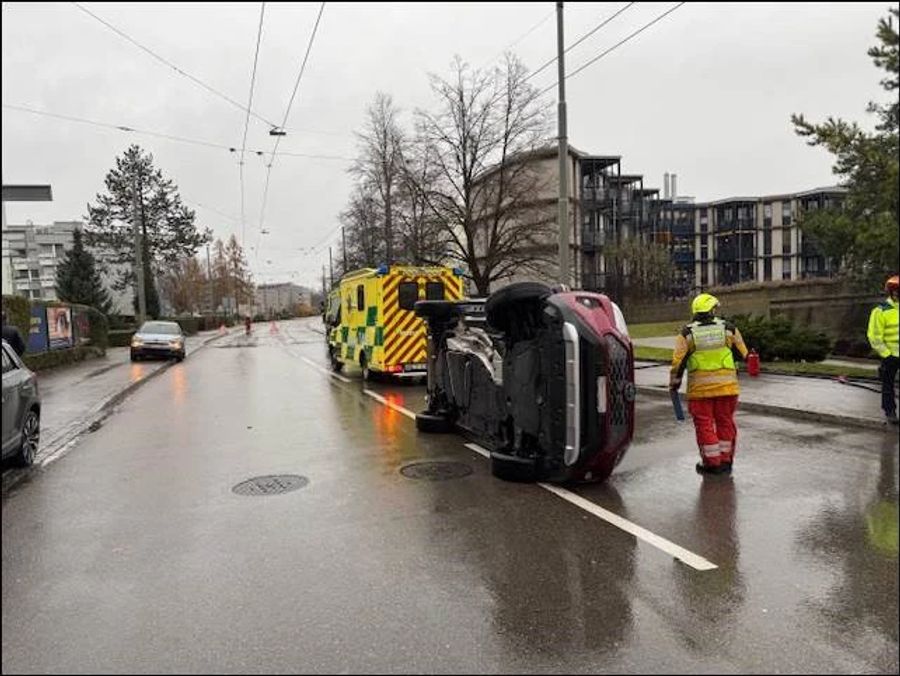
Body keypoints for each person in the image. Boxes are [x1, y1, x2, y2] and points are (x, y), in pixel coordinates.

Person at [669, 293, 749, 474]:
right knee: (725, 422)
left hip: (700, 391)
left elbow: (677, 363)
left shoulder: (686, 333)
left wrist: (674, 384)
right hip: (728, 389)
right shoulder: (729, 329)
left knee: (704, 425)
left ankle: (712, 463)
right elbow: (744, 353)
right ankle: (726, 461)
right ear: (712, 310)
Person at [867, 274, 899, 425]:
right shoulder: (880, 311)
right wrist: (886, 354)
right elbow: (874, 336)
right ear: (892, 292)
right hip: (890, 355)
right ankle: (890, 411)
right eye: (897, 291)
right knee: (888, 385)